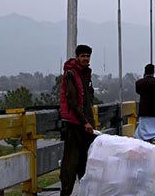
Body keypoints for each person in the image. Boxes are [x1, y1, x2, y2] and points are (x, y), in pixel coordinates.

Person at [60, 44, 96, 196]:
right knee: (71, 162)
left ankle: (84, 191)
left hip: (85, 125)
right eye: (82, 56)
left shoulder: (85, 74)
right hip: (74, 124)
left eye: (87, 56)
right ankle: (66, 192)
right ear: (77, 57)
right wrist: (85, 122)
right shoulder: (71, 74)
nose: (85, 59)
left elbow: (87, 100)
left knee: (85, 160)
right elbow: (72, 101)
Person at [134, 63, 155, 145]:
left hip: (144, 111)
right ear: (153, 72)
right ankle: (154, 140)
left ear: (145, 72)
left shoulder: (139, 83)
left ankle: (143, 144)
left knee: (143, 130)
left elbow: (138, 92)